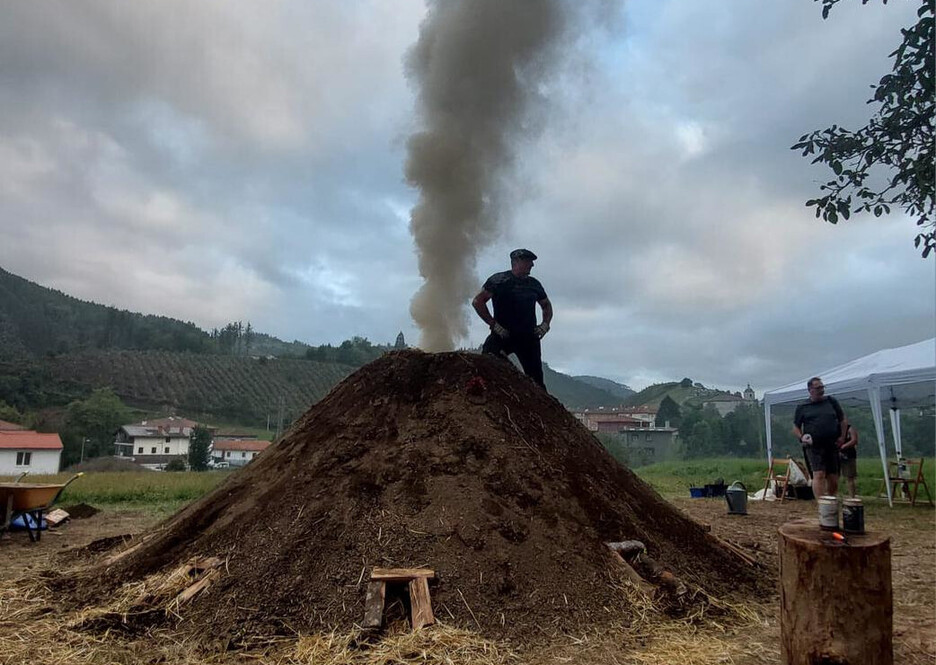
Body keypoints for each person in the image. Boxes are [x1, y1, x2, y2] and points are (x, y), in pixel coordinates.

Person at [472, 248, 553, 388]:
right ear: (516, 262)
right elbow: (478, 302)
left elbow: (546, 305)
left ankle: (539, 406)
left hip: (528, 337)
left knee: (536, 381)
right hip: (503, 334)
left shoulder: (534, 284)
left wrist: (545, 324)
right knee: (486, 362)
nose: (532, 265)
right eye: (529, 261)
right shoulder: (498, 280)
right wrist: (493, 324)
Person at [793, 377, 848, 498]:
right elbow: (796, 427)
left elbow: (843, 420)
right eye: (818, 388)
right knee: (819, 473)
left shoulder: (831, 401)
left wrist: (842, 436)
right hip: (814, 446)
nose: (821, 390)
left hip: (832, 443)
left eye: (822, 387)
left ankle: (831, 499)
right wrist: (802, 437)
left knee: (833, 476)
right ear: (810, 390)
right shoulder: (803, 406)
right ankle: (822, 504)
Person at [838, 423, 859, 497]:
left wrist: (844, 446)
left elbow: (854, 440)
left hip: (848, 455)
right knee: (833, 476)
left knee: (850, 477)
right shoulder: (833, 428)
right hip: (835, 454)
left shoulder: (850, 428)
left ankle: (852, 496)